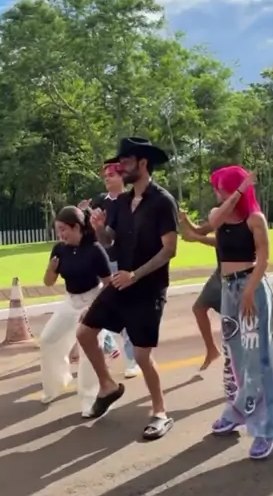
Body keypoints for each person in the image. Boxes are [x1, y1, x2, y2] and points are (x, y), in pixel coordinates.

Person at [76, 136, 179, 437]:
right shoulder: (121, 203)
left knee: (143, 356)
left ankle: (160, 412)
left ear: (143, 163)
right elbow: (110, 242)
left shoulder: (163, 202)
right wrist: (98, 229)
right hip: (122, 283)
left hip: (148, 288)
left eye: (125, 162)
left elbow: (169, 250)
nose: (120, 167)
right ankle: (108, 386)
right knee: (84, 332)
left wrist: (135, 274)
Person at [196, 166, 273, 460]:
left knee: (259, 359)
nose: (217, 193)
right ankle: (239, 411)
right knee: (236, 358)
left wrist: (249, 291)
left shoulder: (255, 219)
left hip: (252, 289)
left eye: (220, 187)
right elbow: (212, 223)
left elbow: (264, 258)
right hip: (228, 289)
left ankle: (266, 428)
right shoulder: (218, 215)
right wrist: (237, 192)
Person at [40, 206, 113, 418]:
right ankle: (57, 383)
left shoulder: (95, 249)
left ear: (76, 227)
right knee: (48, 340)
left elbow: (109, 284)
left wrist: (93, 307)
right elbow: (48, 282)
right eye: (58, 230)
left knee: (88, 351)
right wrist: (51, 269)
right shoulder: (59, 249)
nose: (60, 235)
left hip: (93, 300)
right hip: (70, 301)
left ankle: (91, 399)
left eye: (63, 229)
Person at [81, 159, 141, 379]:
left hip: (120, 263)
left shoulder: (130, 202)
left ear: (122, 177)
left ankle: (133, 359)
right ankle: (108, 346)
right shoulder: (100, 201)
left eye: (112, 175)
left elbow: (117, 236)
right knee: (92, 307)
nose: (107, 178)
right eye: (105, 176)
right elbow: (91, 232)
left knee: (124, 310)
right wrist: (84, 215)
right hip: (99, 261)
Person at [179, 209, 222, 371]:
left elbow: (223, 242)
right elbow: (200, 230)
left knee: (234, 319)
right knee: (199, 308)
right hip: (220, 273)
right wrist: (185, 219)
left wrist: (196, 238)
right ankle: (212, 350)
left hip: (235, 274)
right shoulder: (220, 212)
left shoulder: (238, 214)